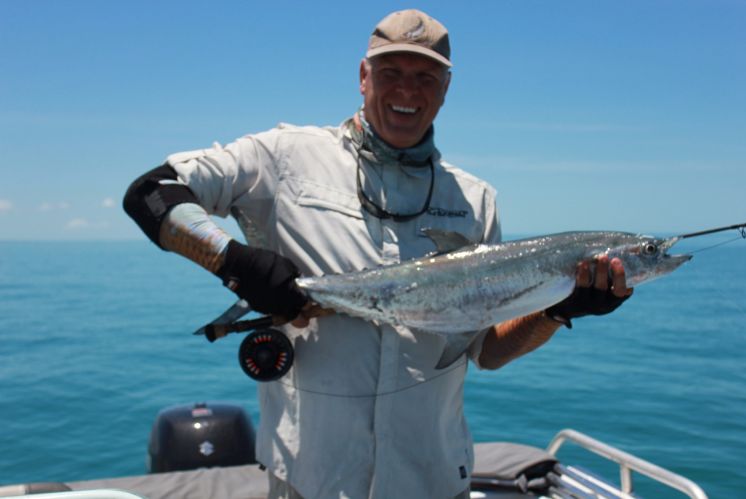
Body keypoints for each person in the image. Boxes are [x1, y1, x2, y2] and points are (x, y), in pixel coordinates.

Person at [123, 9, 631, 499]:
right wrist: (232, 264)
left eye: (426, 77)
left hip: (434, 480)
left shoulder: (475, 202)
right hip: (310, 481)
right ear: (363, 76)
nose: (407, 90)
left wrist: (556, 309)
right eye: (391, 72)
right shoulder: (282, 158)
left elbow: (487, 350)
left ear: (446, 89)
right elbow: (153, 191)